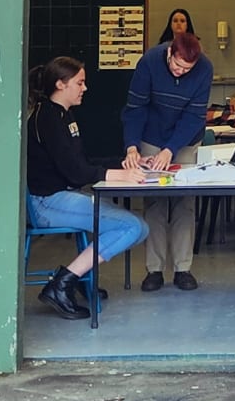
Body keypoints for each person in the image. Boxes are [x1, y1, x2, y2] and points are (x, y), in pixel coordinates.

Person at [27, 57, 150, 320]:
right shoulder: (48, 117)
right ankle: (62, 284)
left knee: (139, 229)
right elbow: (77, 172)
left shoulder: (63, 114)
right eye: (80, 82)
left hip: (63, 197)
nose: (85, 88)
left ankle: (76, 277)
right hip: (47, 203)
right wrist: (120, 175)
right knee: (133, 227)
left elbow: (82, 163)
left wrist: (127, 162)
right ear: (60, 84)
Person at [121, 33, 213, 292]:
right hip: (151, 135)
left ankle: (183, 268)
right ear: (170, 53)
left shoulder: (205, 68)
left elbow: (195, 116)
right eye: (177, 66)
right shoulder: (149, 61)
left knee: (185, 199)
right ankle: (155, 270)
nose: (181, 72)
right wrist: (132, 147)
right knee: (154, 200)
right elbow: (135, 108)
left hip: (185, 140)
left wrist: (171, 149)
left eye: (187, 69)